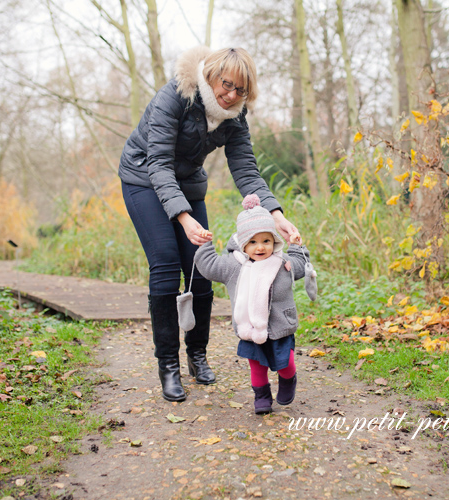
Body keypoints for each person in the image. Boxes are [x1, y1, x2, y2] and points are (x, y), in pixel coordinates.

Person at [119, 46, 300, 402]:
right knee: (167, 265)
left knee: (202, 267)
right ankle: (168, 365)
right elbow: (157, 163)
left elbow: (246, 169)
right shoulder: (175, 97)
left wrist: (277, 215)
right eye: (226, 85)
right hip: (143, 177)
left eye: (240, 90)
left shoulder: (235, 115)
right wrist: (183, 218)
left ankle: (196, 355)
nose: (231, 95)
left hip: (187, 183)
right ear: (212, 75)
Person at [194, 194, 310, 414]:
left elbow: (301, 265)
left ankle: (288, 380)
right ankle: (262, 396)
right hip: (250, 328)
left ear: (274, 241)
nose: (260, 248)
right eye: (253, 242)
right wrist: (205, 243)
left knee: (286, 364)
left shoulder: (281, 263)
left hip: (279, 327)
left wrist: (296, 246)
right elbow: (209, 267)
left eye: (266, 241)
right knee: (257, 367)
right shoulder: (233, 266)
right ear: (243, 244)